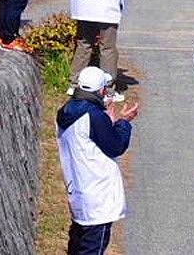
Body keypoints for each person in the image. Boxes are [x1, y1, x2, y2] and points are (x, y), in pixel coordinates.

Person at [57, 66, 139, 255]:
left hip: (79, 194)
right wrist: (123, 122)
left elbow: (87, 140)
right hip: (97, 200)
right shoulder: (92, 115)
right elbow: (116, 145)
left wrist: (107, 121)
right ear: (101, 91)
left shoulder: (66, 111)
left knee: (76, 247)